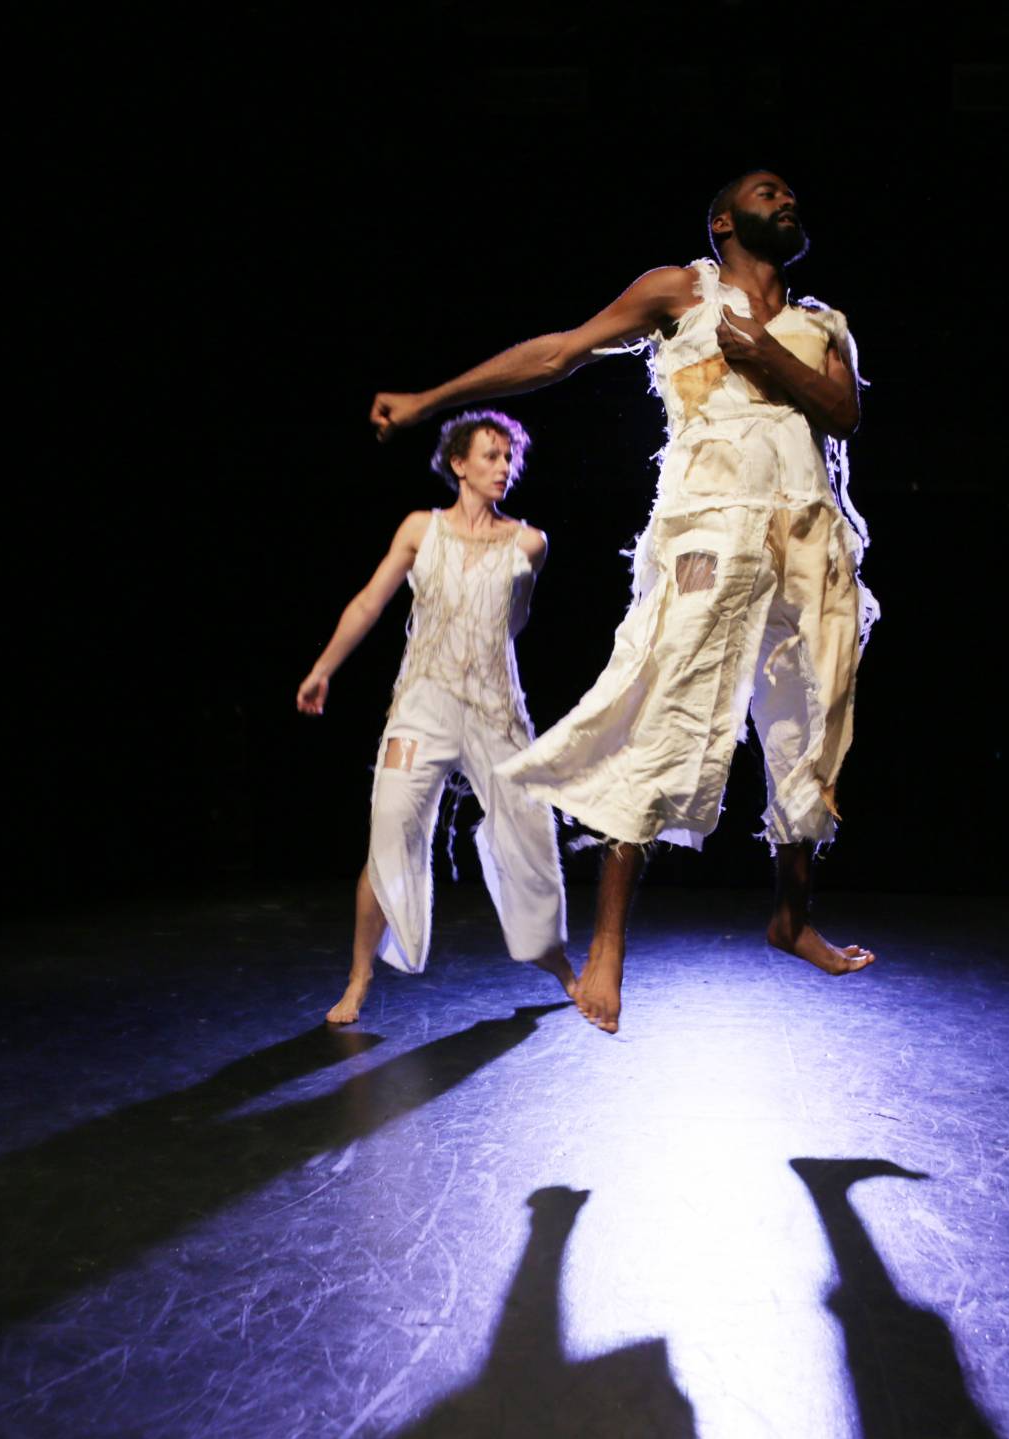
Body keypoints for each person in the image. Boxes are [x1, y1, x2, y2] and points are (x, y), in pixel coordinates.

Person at [370, 171, 876, 1033]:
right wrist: (431, 400)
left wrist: (764, 355)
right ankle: (607, 946)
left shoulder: (823, 323)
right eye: (766, 191)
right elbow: (558, 352)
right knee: (667, 715)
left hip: (810, 542)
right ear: (723, 220)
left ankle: (791, 917)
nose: (787, 199)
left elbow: (843, 414)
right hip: (710, 536)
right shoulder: (681, 290)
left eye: (794, 193)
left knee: (810, 736)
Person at [296, 412, 575, 1024]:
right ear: (458, 464)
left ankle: (557, 963)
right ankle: (359, 977)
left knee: (530, 836)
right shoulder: (421, 529)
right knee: (390, 825)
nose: (504, 467)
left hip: (495, 711)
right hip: (421, 707)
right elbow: (370, 601)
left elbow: (515, 621)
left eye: (509, 458)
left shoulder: (529, 542)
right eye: (491, 456)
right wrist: (324, 668)